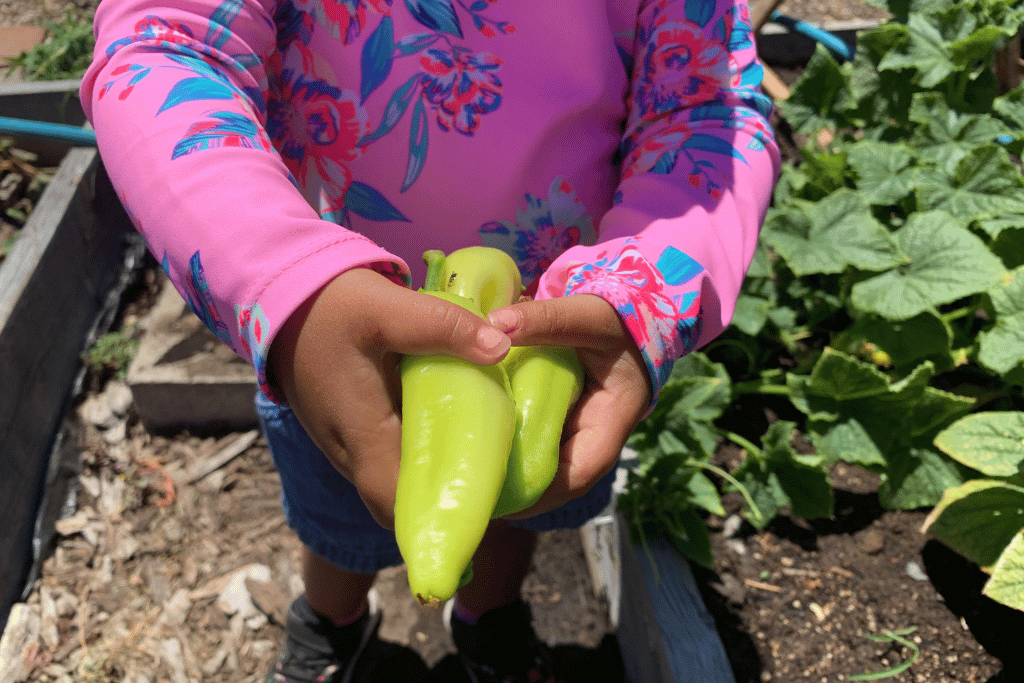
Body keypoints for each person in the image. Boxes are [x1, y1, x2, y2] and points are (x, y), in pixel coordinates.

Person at [81, 0, 779, 680]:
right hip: (330, 335)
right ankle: (333, 618)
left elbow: (706, 108)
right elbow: (163, 44)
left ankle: (487, 614)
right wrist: (283, 284)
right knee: (343, 510)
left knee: (520, 498)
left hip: (564, 330)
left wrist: (646, 289)